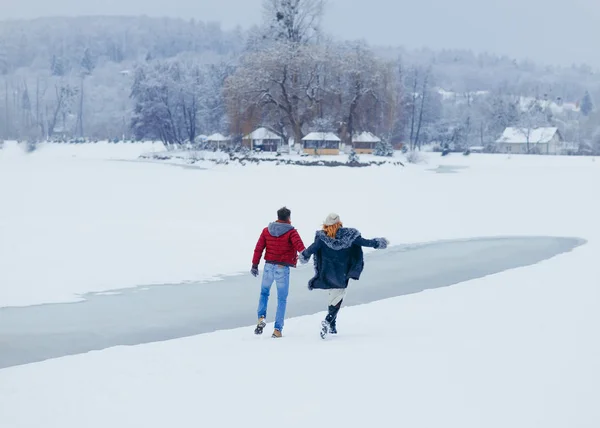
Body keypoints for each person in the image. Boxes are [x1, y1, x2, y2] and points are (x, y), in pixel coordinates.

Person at [299, 213, 389, 338]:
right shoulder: (350, 236)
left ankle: (332, 326)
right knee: (337, 298)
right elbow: (366, 242)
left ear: (326, 225)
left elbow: (310, 250)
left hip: (327, 273)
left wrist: (304, 256)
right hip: (342, 273)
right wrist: (379, 243)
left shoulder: (322, 238)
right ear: (339, 224)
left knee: (333, 297)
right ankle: (328, 321)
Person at [251, 206, 306, 338]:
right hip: (282, 268)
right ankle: (277, 330)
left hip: (268, 267)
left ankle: (261, 318)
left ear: (278, 216)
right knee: (281, 299)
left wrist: (254, 265)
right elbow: (301, 248)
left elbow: (258, 248)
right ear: (288, 218)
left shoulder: (266, 230)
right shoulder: (292, 232)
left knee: (264, 293)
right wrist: (306, 257)